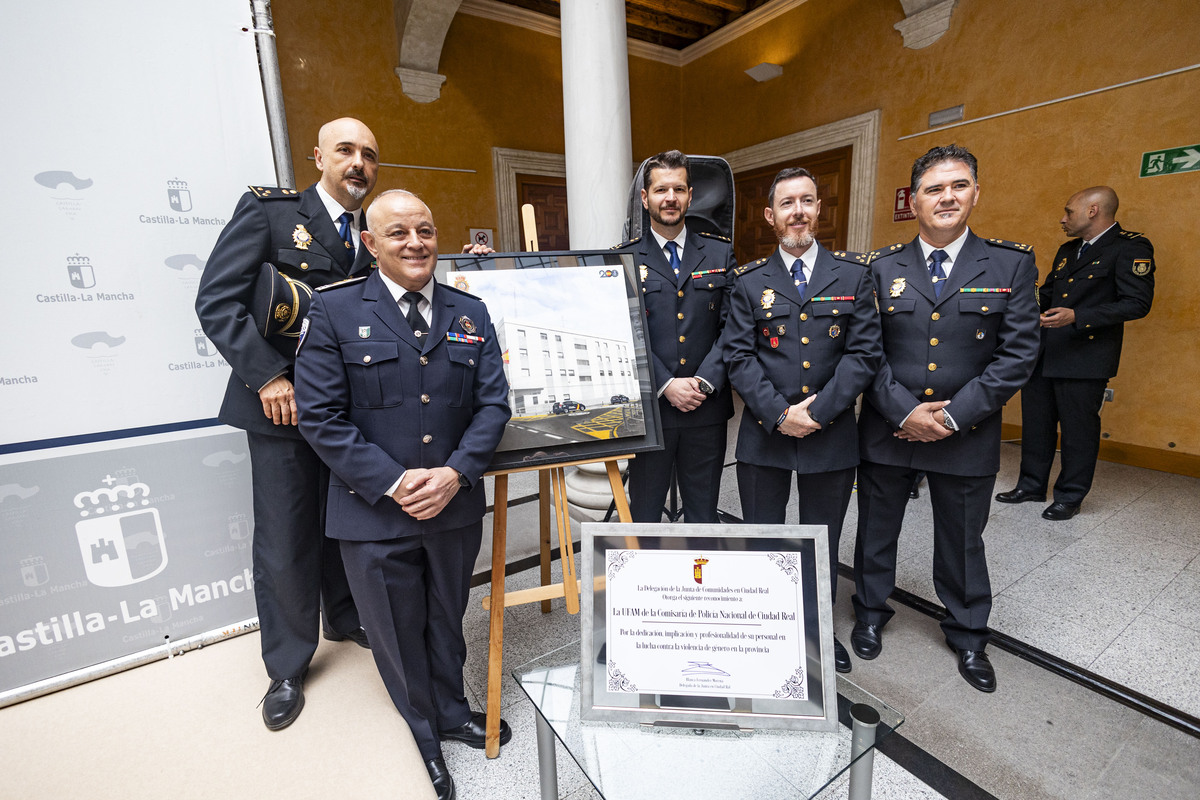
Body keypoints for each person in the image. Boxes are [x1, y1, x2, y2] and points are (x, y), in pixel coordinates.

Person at [294, 190, 512, 800]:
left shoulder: (471, 314)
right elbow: (320, 416)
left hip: (454, 505)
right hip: (372, 513)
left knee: (446, 614)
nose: (416, 243)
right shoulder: (333, 312)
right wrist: (394, 482)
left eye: (425, 229)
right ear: (370, 243)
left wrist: (455, 474)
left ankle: (450, 709)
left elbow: (493, 406)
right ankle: (420, 734)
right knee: (393, 627)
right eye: (398, 233)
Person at [195, 117, 377, 730]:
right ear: (318, 155)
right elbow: (216, 300)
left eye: (369, 156)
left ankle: (343, 617)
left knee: (341, 520)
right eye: (346, 151)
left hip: (344, 411)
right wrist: (268, 377)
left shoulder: (366, 235)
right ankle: (287, 664)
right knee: (285, 535)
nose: (358, 163)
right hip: (281, 407)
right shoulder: (270, 213)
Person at [851, 145, 1040, 692]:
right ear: (914, 201)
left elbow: (1018, 354)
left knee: (962, 539)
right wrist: (904, 411)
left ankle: (968, 634)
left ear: (976, 193)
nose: (947, 197)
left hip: (967, 434)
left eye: (958, 186)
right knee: (876, 530)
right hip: (890, 428)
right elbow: (868, 351)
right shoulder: (880, 267)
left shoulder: (1010, 264)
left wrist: (954, 417)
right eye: (934, 189)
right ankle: (869, 611)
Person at [724, 167, 883, 675]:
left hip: (830, 433)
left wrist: (816, 412)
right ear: (771, 216)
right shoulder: (749, 282)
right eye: (787, 203)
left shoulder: (854, 276)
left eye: (807, 201)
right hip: (764, 434)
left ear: (819, 210)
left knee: (822, 538)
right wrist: (777, 413)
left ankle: (816, 629)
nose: (798, 212)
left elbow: (864, 354)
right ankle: (769, 631)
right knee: (763, 537)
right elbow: (737, 355)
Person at [996, 187, 1154, 520]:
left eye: (1069, 212)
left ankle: (1069, 495)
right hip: (1046, 351)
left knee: (1078, 431)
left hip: (1086, 356)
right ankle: (1032, 485)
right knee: (1037, 425)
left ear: (1093, 210)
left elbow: (1137, 303)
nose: (1063, 219)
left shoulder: (1130, 248)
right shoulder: (1068, 250)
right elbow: (1049, 293)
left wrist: (1078, 317)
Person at [613, 150, 735, 523]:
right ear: (645, 198)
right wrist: (666, 383)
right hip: (651, 412)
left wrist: (703, 381)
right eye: (661, 189)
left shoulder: (719, 251)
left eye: (678, 189)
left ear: (690, 195)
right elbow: (624, 332)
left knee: (702, 512)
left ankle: (699, 579)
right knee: (646, 513)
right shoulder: (624, 259)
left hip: (706, 407)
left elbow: (734, 327)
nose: (671, 198)